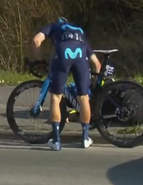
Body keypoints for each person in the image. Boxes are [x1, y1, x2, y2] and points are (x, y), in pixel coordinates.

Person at [30, 17, 102, 151]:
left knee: (56, 97)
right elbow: (97, 64)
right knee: (83, 98)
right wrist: (95, 83)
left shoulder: (53, 26)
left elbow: (36, 40)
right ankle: (85, 138)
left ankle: (56, 141)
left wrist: (40, 60)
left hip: (63, 53)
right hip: (81, 56)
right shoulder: (79, 31)